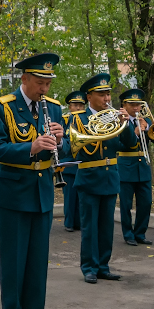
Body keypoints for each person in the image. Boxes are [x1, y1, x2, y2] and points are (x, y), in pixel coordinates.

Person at [0, 54, 64, 309]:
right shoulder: (2, 106)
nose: (44, 89)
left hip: (41, 192)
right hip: (12, 194)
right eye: (40, 83)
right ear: (25, 79)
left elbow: (60, 151)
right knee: (13, 259)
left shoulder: (53, 109)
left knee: (37, 261)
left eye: (48, 83)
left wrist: (61, 138)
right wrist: (30, 147)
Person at [65, 73, 137, 284]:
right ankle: (89, 266)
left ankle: (103, 266)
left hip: (110, 176)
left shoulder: (115, 116)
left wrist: (126, 124)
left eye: (107, 94)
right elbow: (74, 150)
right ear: (89, 97)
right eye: (102, 94)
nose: (107, 98)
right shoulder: (78, 119)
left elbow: (130, 144)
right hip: (89, 176)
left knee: (106, 226)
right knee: (90, 227)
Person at [117, 88, 154, 246]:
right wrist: (135, 133)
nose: (136, 108)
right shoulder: (118, 121)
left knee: (145, 202)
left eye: (138, 105)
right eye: (132, 104)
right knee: (126, 204)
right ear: (124, 105)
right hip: (126, 166)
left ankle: (140, 233)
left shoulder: (146, 120)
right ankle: (128, 234)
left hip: (143, 167)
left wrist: (146, 129)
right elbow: (119, 144)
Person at [60, 91, 86, 232]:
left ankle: (79, 222)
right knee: (70, 196)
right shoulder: (64, 119)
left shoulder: (87, 119)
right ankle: (69, 222)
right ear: (70, 107)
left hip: (83, 163)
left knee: (81, 196)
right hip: (69, 163)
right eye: (75, 105)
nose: (78, 108)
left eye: (81, 105)